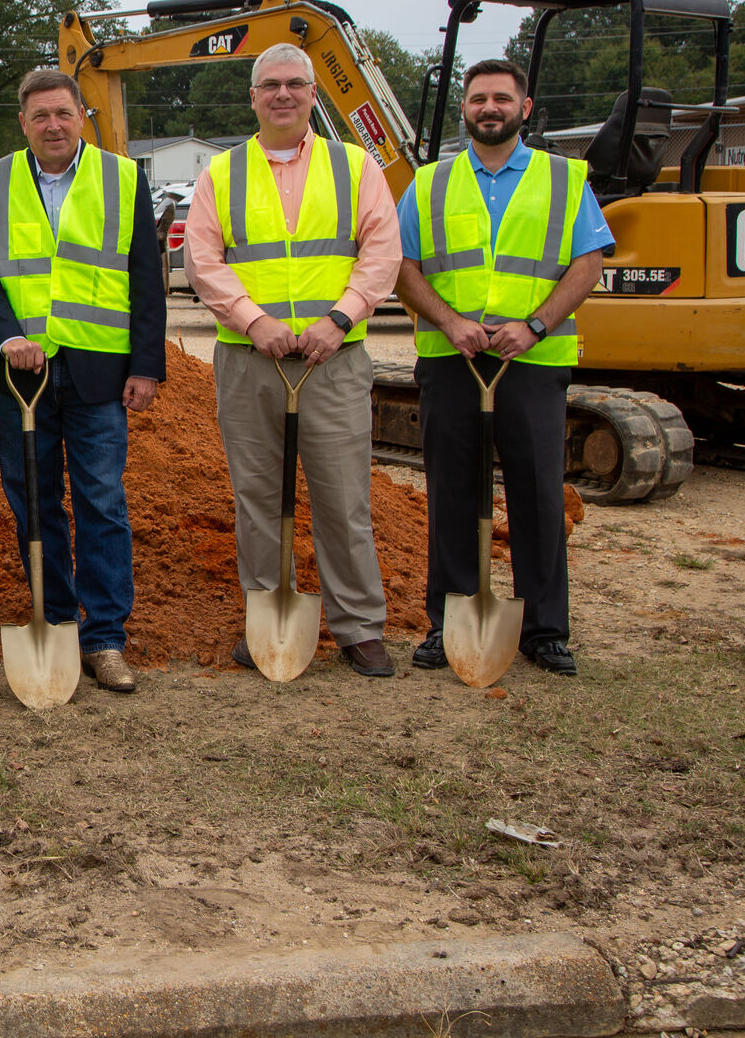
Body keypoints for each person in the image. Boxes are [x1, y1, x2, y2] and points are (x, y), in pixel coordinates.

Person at [181, 43, 401, 678]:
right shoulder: (220, 174)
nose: (283, 94)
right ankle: (266, 618)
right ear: (253, 98)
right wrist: (254, 321)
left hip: (333, 360)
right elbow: (203, 260)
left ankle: (359, 627)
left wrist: (339, 320)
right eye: (270, 85)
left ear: (313, 94)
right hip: (251, 362)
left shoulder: (355, 166)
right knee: (256, 497)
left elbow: (381, 251)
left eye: (295, 84)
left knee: (342, 498)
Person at [395, 58, 609, 677]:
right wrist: (450, 322)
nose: (490, 108)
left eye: (501, 99)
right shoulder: (430, 183)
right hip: (451, 358)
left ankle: (545, 629)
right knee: (453, 493)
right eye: (479, 98)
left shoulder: (564, 179)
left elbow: (587, 263)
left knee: (538, 493)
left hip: (533, 362)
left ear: (525, 108)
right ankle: (449, 621)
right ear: (464, 107)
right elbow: (403, 266)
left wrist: (535, 325)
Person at [0, 70, 167, 693]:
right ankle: (55, 622)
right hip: (23, 372)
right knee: (33, 497)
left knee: (102, 500)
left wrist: (146, 364)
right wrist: (4, 337)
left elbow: (143, 274)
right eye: (40, 116)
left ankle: (103, 638)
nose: (53, 125)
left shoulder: (122, 177)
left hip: (100, 370)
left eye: (63, 113)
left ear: (82, 115)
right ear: (22, 123)